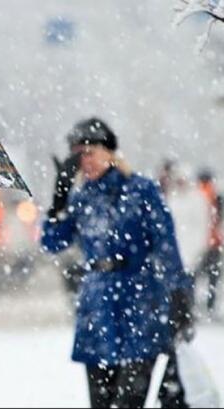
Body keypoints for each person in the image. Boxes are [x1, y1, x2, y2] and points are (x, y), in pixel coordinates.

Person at [41, 117, 194, 408]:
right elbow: (52, 242)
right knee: (101, 402)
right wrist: (59, 199)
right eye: (77, 154)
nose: (83, 160)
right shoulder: (81, 197)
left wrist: (178, 295)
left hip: (140, 305)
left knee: (129, 401)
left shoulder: (141, 190)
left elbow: (166, 246)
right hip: (97, 308)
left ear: (109, 152)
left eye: (89, 151)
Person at [196, 169, 223, 316]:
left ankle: (191, 306)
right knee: (213, 278)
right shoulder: (216, 197)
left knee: (195, 276)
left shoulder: (198, 196)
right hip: (213, 244)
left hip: (201, 245)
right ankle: (209, 307)